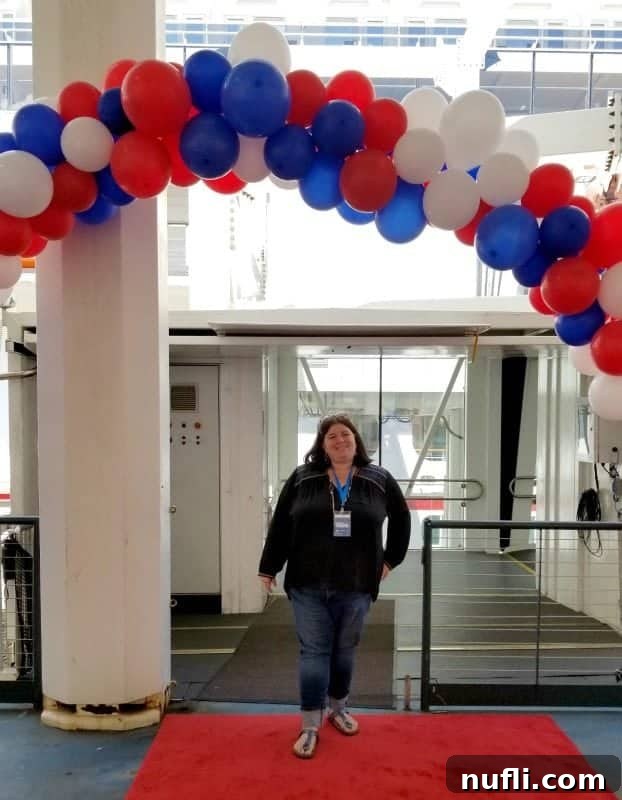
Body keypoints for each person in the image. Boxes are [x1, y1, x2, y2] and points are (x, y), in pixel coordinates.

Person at [258, 413, 411, 759]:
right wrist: (268, 567)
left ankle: (338, 708)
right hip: (307, 582)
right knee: (314, 652)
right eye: (332, 437)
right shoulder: (302, 478)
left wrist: (389, 560)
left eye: (346, 435)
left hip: (356, 583)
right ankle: (310, 724)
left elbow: (402, 519)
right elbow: (281, 524)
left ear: (356, 441)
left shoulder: (379, 479)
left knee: (344, 651)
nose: (340, 441)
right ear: (322, 446)